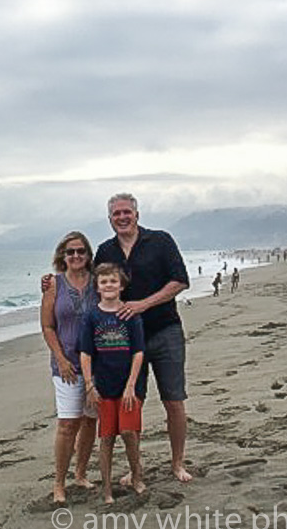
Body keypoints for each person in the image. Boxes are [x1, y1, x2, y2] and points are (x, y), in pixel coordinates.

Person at [42, 193, 193, 483]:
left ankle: (177, 463)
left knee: (173, 399)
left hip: (164, 331)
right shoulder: (106, 250)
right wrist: (52, 281)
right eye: (116, 214)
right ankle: (135, 468)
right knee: (130, 402)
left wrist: (143, 304)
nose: (122, 217)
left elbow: (180, 281)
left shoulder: (161, 241)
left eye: (127, 212)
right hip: (122, 341)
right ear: (110, 219)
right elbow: (87, 278)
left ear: (137, 214)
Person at [79, 263, 146, 503]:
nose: (109, 285)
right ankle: (107, 489)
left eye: (113, 281)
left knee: (129, 432)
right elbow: (85, 354)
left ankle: (136, 476)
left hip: (128, 386)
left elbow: (138, 352)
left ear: (121, 285)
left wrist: (131, 385)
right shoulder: (91, 316)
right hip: (103, 388)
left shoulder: (130, 315)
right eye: (104, 281)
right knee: (106, 438)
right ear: (97, 287)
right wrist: (89, 385)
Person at [40, 231, 99, 504]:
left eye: (80, 251)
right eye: (70, 251)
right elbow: (47, 326)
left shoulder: (98, 282)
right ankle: (59, 483)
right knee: (67, 424)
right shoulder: (54, 284)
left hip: (97, 364)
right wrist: (61, 359)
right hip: (66, 366)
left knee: (89, 420)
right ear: (62, 256)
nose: (76, 256)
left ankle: (81, 473)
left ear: (88, 254)